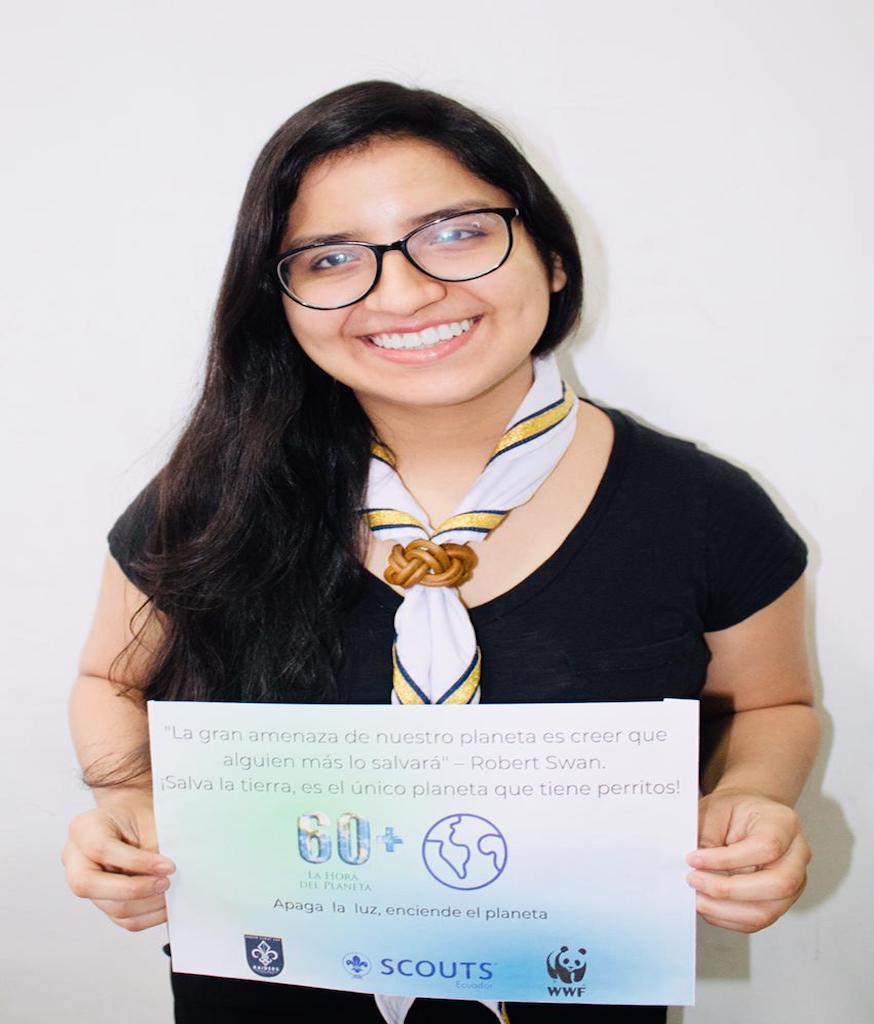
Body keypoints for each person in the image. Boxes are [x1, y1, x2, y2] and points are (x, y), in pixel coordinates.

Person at [62, 80, 820, 1023]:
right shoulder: (213, 497)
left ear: (550, 256)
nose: (407, 291)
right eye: (331, 256)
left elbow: (773, 704)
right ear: (280, 301)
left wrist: (752, 796)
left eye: (456, 232)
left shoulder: (703, 509)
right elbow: (109, 680)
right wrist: (128, 800)